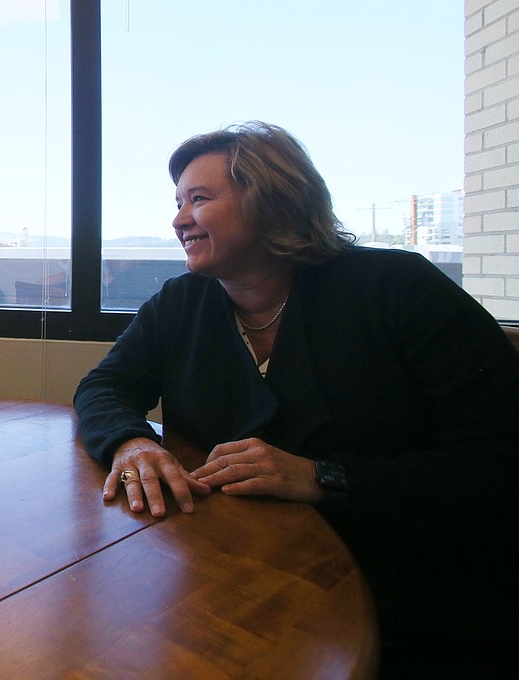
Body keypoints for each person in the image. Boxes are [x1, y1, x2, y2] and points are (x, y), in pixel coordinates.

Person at [73, 122, 519, 677]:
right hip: (236, 584)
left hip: (410, 600)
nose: (178, 219)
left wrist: (322, 476)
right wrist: (132, 441)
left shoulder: (397, 288)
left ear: (270, 198)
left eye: (199, 199)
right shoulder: (181, 302)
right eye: (178, 202)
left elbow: (498, 464)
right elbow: (103, 387)